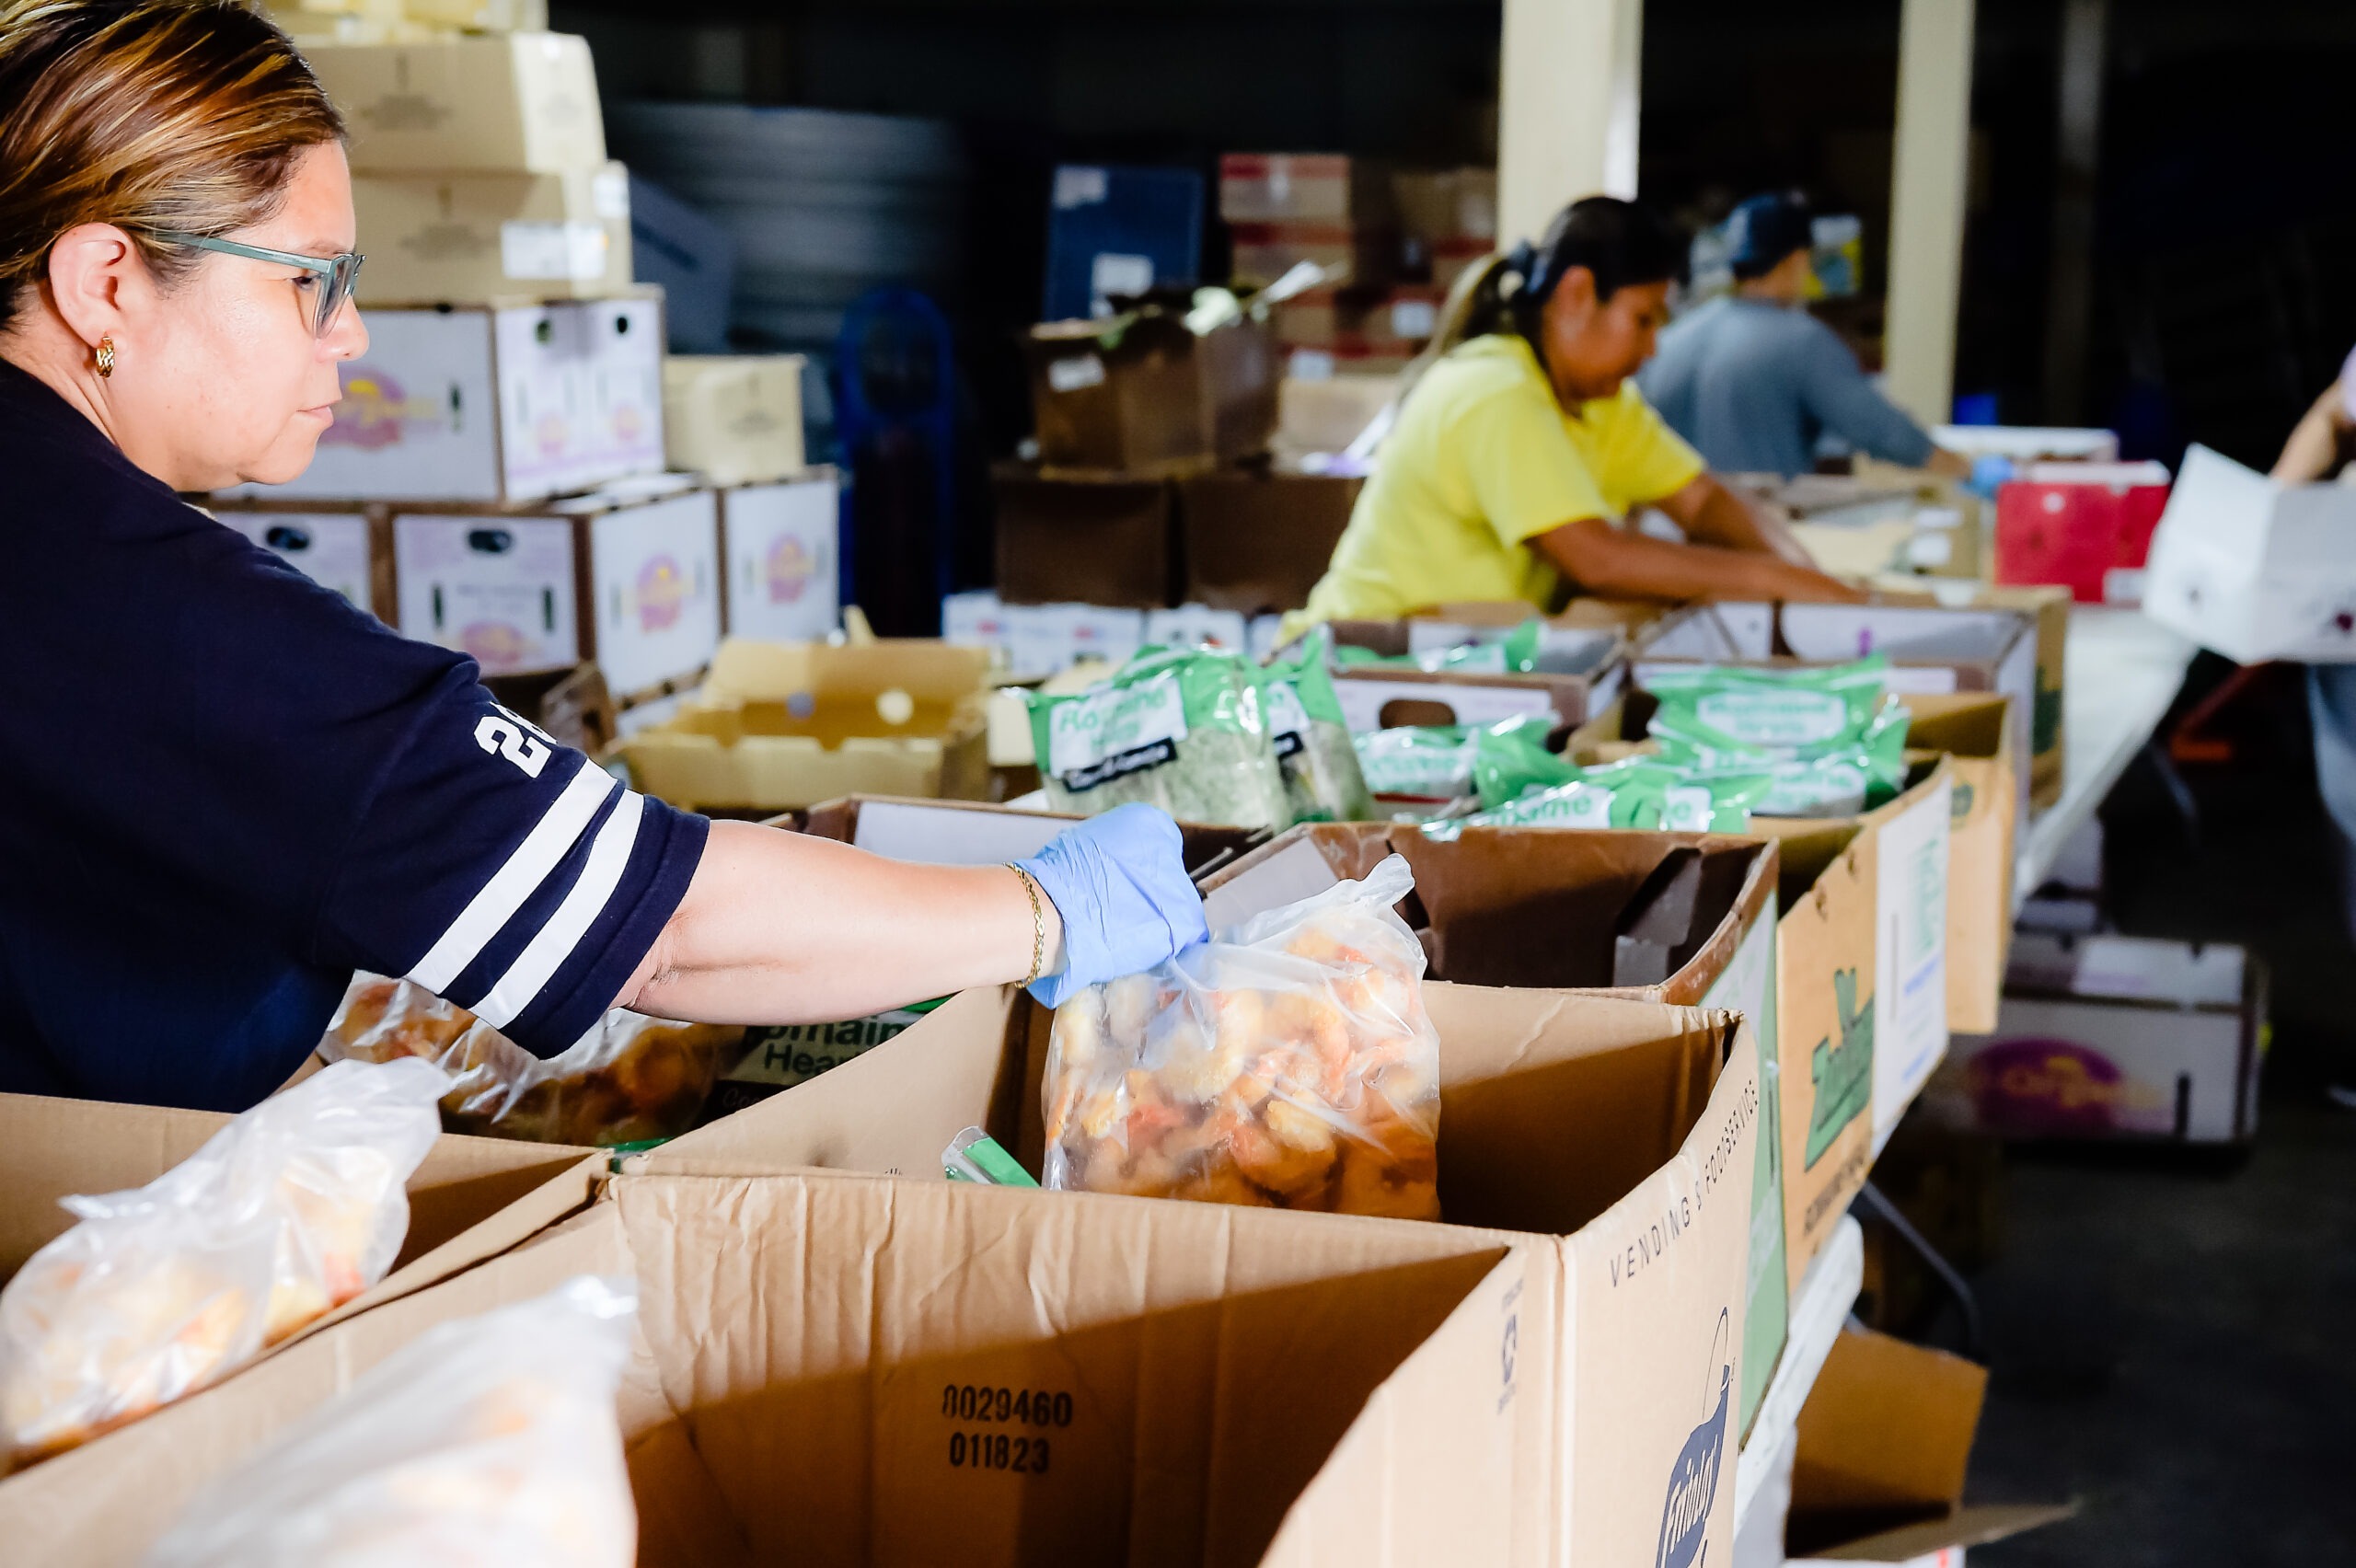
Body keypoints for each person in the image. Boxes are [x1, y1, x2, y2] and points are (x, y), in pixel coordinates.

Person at [0, 0, 1204, 1112]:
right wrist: (1048, 910)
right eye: (315, 282)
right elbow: (671, 930)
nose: (351, 336)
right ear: (107, 283)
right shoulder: (171, 622)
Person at [1296, 196, 1858, 627]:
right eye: (1643, 320)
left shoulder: (1603, 404)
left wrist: (1806, 576)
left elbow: (1703, 500)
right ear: (1577, 295)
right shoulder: (1493, 391)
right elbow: (1597, 558)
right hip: (1356, 666)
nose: (1652, 349)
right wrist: (1772, 580)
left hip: (1453, 665)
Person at [1638, 190, 1970, 481]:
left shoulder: (1670, 340)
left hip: (1670, 538)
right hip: (1755, 533)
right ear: (1796, 260)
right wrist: (1968, 470)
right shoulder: (1801, 341)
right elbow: (1881, 432)